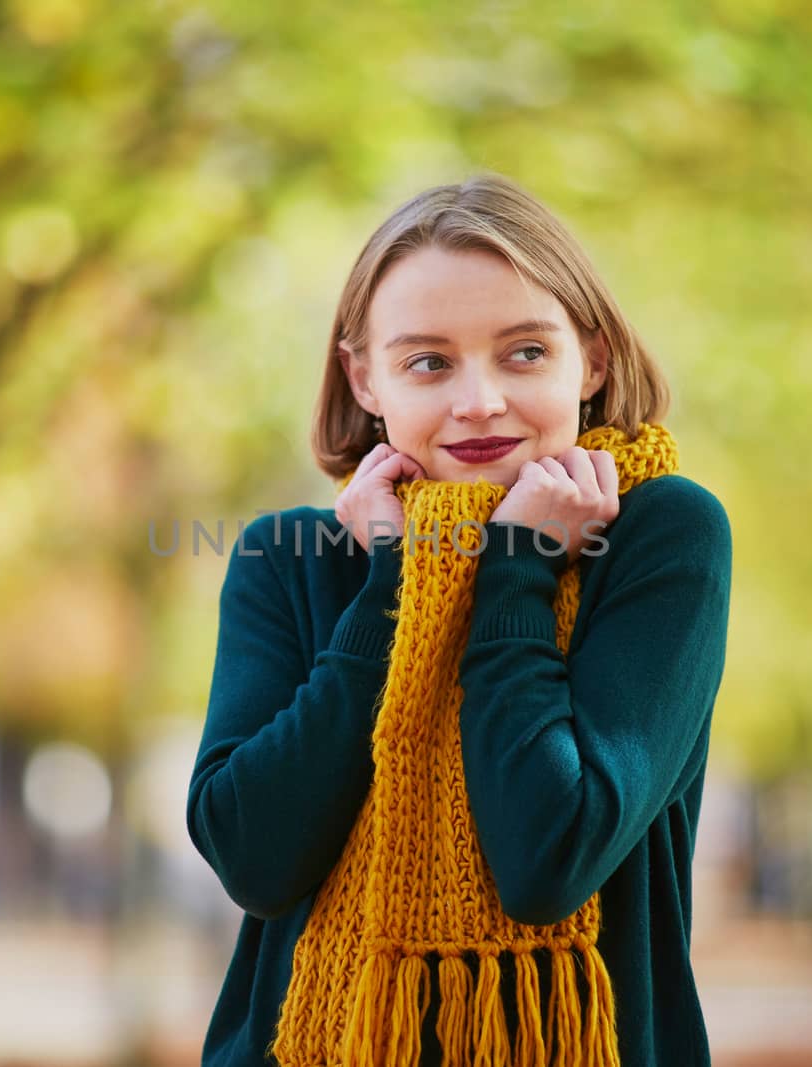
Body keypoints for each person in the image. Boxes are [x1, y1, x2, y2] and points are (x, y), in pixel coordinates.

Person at [186, 172, 733, 1066]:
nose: (479, 399)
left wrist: (513, 574)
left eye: (523, 353)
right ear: (364, 378)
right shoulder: (287, 558)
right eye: (429, 361)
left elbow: (548, 856)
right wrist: (395, 585)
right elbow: (254, 856)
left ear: (590, 358)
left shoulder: (660, 536)